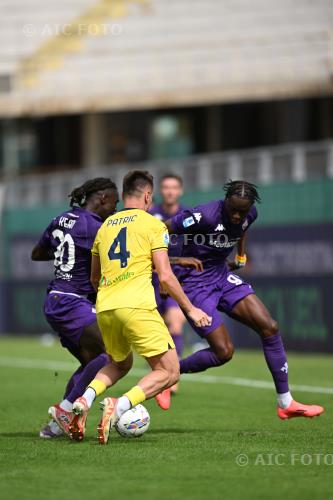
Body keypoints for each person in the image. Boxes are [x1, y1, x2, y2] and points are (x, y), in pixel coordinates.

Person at [69, 170, 211, 444]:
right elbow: (166, 276)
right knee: (170, 372)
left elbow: (94, 278)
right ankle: (119, 406)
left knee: (119, 364)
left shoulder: (105, 227)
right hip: (137, 305)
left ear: (123, 195)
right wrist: (191, 309)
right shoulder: (153, 225)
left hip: (106, 307)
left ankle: (84, 400)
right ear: (148, 195)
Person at [165, 180, 324, 420]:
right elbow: (160, 231)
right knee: (224, 352)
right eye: (233, 210)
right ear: (225, 202)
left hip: (221, 275)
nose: (238, 215)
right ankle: (168, 374)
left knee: (269, 327)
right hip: (194, 283)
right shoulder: (203, 216)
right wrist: (175, 263)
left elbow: (243, 228)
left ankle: (286, 402)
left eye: (243, 210)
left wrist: (240, 256)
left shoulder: (250, 213)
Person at [31, 178, 119, 437]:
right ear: (103, 198)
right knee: (110, 354)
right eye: (114, 202)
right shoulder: (95, 227)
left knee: (90, 363)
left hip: (57, 299)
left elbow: (37, 253)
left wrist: (62, 253)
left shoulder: (61, 219)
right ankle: (66, 409)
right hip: (72, 301)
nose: (115, 208)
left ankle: (54, 428)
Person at [149, 174, 187, 392]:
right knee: (156, 330)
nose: (170, 191)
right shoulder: (151, 216)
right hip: (151, 280)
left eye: (174, 187)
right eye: (166, 187)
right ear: (160, 191)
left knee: (175, 324)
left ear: (180, 190)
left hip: (176, 279)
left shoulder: (188, 216)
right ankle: (161, 372)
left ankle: (174, 377)